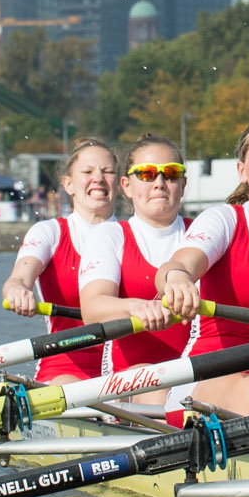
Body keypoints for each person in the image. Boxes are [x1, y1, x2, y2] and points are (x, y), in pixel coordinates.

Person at [154, 118, 249, 420]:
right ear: (242, 171)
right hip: (211, 377)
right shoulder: (225, 220)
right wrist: (177, 279)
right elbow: (179, 264)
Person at [76, 135, 193, 400]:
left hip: (198, 373)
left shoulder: (203, 233)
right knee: (162, 392)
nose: (160, 183)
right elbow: (92, 309)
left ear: (183, 184)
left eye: (171, 174)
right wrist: (136, 308)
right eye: (147, 174)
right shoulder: (110, 236)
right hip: (133, 375)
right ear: (127, 186)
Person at [1, 138, 121, 384]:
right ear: (69, 184)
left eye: (107, 172)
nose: (98, 178)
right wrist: (18, 291)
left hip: (128, 365)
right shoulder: (49, 232)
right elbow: (19, 279)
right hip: (65, 365)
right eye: (88, 172)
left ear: (120, 184)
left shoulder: (133, 234)